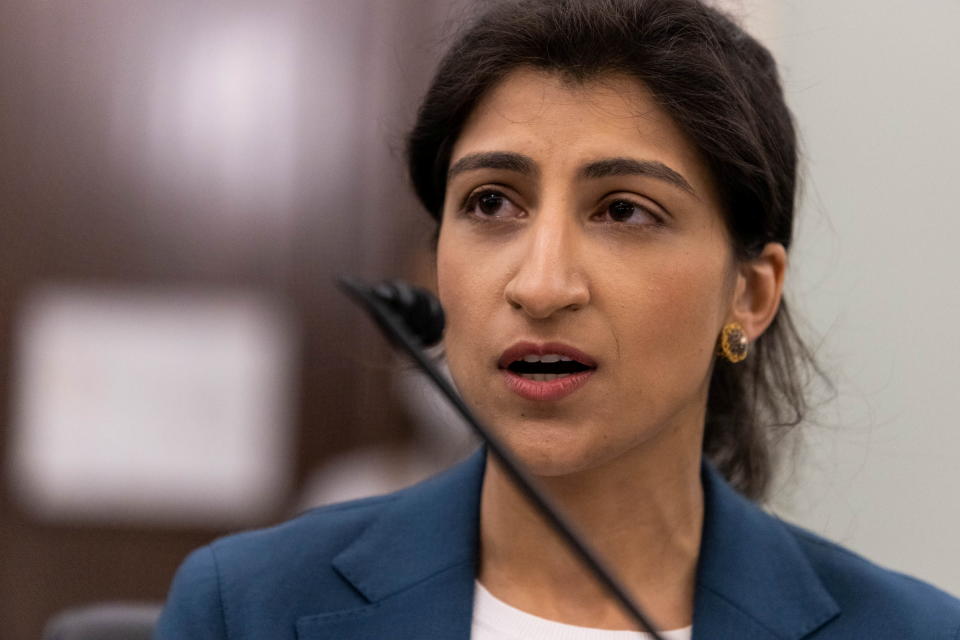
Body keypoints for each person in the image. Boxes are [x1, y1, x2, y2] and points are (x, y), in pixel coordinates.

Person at [155, 0, 960, 638]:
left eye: (624, 211)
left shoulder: (913, 631)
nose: (539, 286)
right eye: (492, 202)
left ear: (749, 294)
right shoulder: (244, 608)